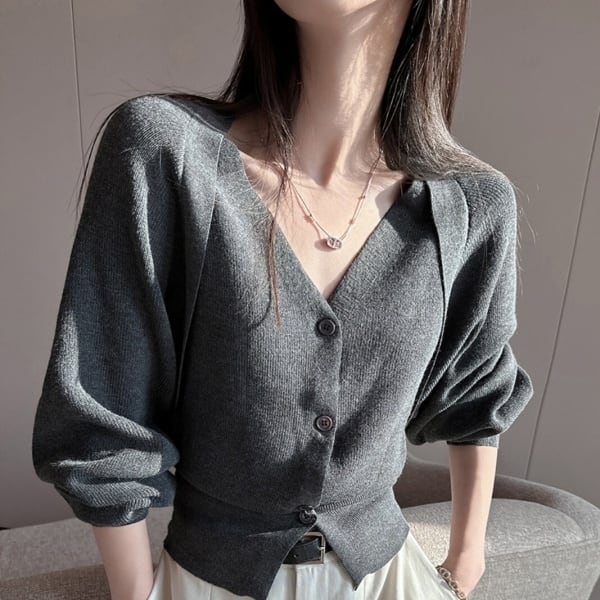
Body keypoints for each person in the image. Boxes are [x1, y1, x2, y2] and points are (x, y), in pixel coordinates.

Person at [31, 0, 535, 599]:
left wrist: (463, 563)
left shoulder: (471, 208)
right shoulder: (166, 153)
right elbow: (102, 397)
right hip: (210, 578)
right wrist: (136, 592)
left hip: (391, 579)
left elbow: (476, 394)